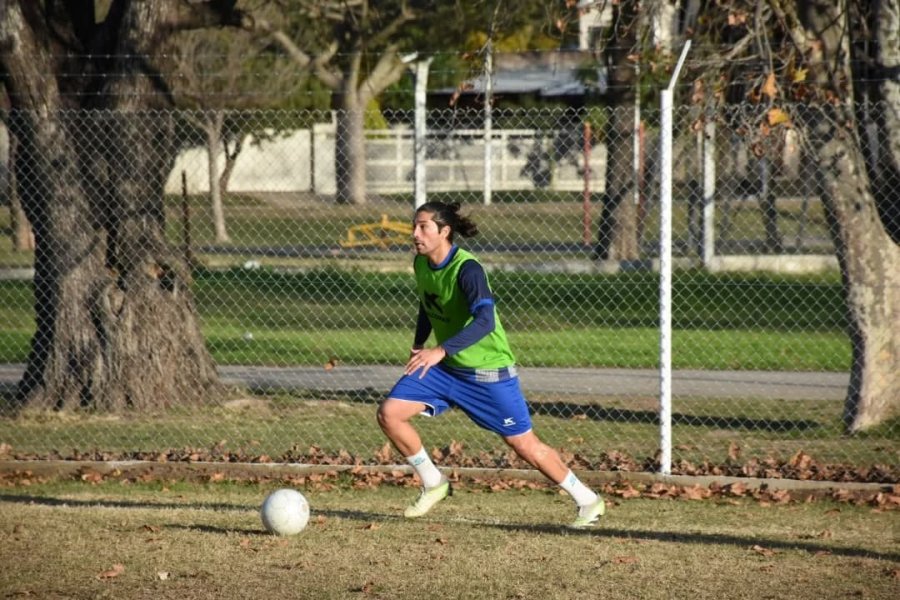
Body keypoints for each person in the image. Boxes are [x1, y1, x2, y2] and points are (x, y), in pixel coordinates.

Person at [376, 201, 605, 529]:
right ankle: (433, 481)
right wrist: (419, 343)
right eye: (414, 226)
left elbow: (485, 320)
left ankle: (588, 500)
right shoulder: (422, 264)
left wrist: (438, 351)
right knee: (389, 413)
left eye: (423, 226)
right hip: (446, 368)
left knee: (523, 444)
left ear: (444, 231)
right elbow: (430, 304)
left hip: (487, 373)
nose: (415, 234)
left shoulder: (468, 270)